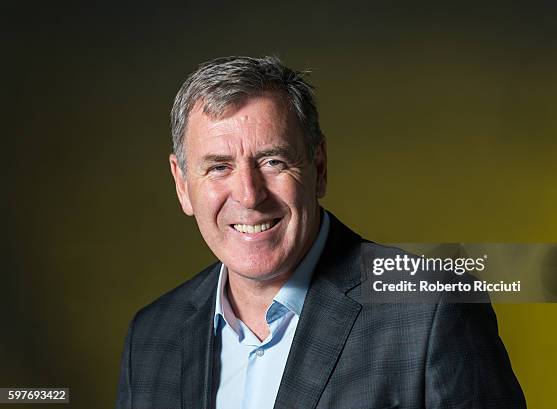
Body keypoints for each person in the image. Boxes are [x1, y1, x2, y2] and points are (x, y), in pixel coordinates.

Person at [115, 56, 526, 409]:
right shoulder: (151, 337)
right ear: (183, 185)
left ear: (320, 167)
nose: (249, 195)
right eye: (218, 167)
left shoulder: (429, 310)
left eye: (273, 161)